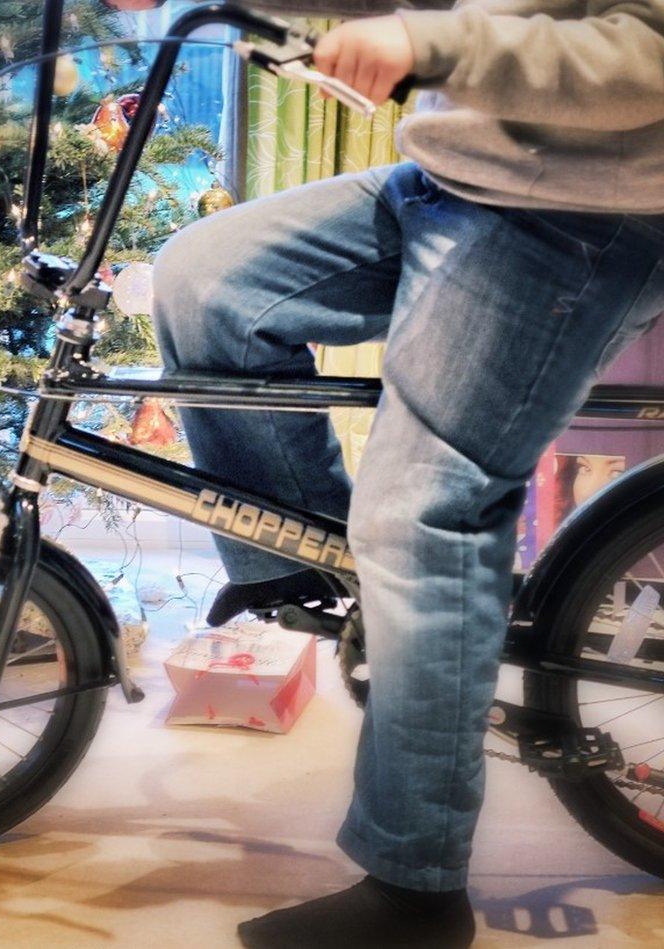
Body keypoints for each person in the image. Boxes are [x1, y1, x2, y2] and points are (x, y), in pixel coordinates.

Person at [107, 1, 664, 945]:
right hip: (448, 174)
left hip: (577, 215)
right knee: (205, 283)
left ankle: (416, 892)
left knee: (420, 516)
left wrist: (428, 46)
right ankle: (319, 574)